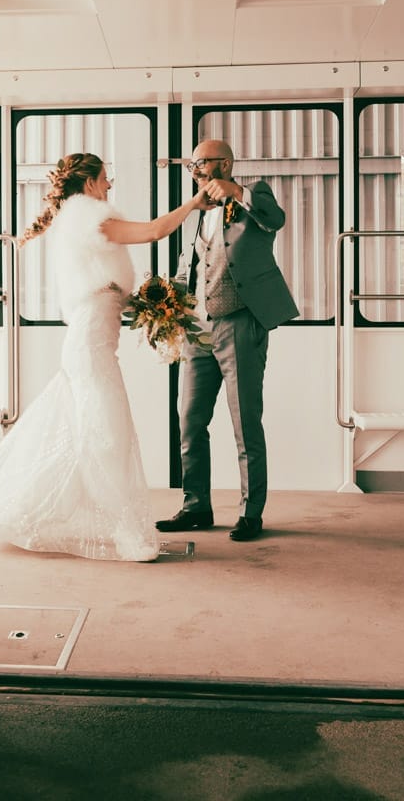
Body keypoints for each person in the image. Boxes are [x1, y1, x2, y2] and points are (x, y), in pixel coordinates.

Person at [0, 152, 209, 562]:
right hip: (91, 346)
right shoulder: (90, 217)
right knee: (107, 436)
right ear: (90, 182)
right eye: (106, 179)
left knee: (96, 432)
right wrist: (194, 203)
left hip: (90, 341)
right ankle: (127, 533)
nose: (110, 186)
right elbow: (153, 231)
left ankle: (86, 518)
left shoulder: (76, 221)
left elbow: (101, 287)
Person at [156, 139, 298, 542]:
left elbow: (275, 219)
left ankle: (251, 512)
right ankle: (195, 505)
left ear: (226, 164)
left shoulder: (256, 195)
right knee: (189, 420)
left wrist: (238, 192)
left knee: (244, 422)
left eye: (201, 163)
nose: (196, 169)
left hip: (239, 321)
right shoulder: (197, 209)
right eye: (193, 164)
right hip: (197, 327)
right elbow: (196, 263)